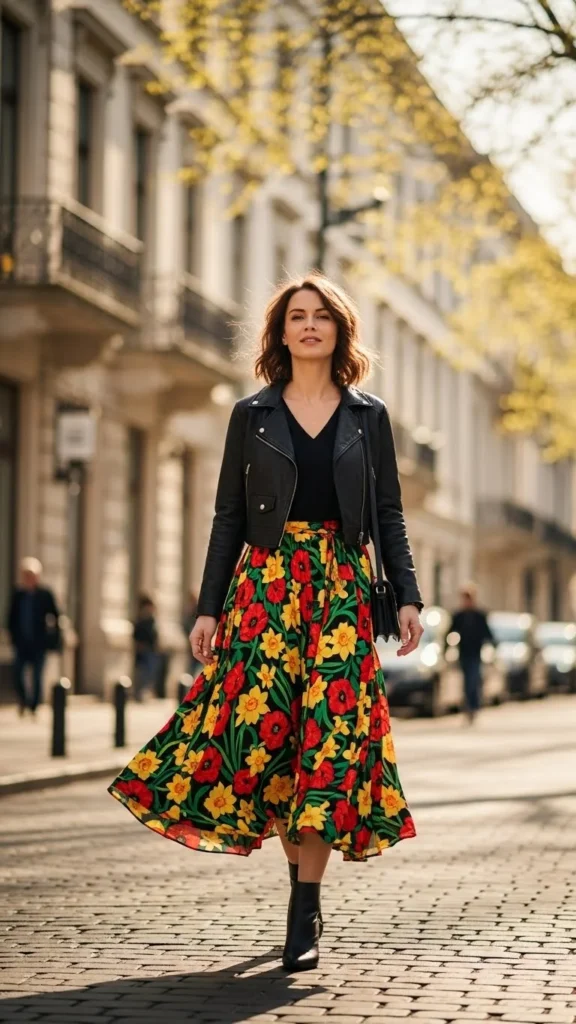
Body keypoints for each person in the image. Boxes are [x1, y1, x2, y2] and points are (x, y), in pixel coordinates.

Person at [108, 273, 423, 972]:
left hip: (340, 591)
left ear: (340, 331)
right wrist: (208, 608)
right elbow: (228, 515)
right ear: (280, 333)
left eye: (321, 317)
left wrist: (406, 594)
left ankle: (305, 907)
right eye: (296, 317)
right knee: (272, 743)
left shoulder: (368, 417)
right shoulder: (250, 414)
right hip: (268, 592)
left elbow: (390, 513)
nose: (309, 326)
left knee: (330, 743)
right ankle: (299, 892)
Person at [7, 557, 60, 716]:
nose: (29, 578)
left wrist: (53, 638)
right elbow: (11, 617)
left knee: (37, 676)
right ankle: (23, 700)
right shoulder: (18, 594)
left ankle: (34, 706)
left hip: (39, 644)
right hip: (21, 642)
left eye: (31, 575)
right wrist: (12, 637)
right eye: (26, 575)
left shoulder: (45, 594)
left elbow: (55, 616)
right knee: (17, 673)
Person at [447, 582, 495, 725]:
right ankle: (469, 706)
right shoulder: (459, 615)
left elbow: (488, 634)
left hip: (475, 653)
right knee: (466, 681)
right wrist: (446, 649)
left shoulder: (479, 615)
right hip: (463, 653)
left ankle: (473, 706)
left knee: (473, 680)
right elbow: (449, 632)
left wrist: (492, 649)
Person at [133, 595, 160, 702]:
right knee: (144, 672)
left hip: (151, 650)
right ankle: (140, 693)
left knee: (150, 672)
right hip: (144, 650)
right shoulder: (142, 619)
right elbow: (137, 634)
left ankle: (145, 692)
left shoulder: (151, 619)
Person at [182, 589, 201, 678]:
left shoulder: (197, 610)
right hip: (191, 645)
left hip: (198, 643)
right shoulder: (189, 612)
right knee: (192, 668)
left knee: (196, 667)